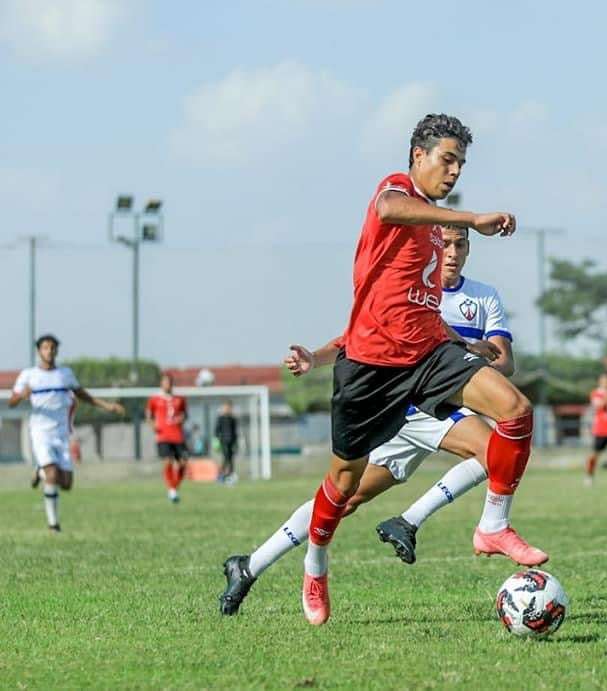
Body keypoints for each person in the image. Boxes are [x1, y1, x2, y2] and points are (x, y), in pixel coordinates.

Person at [229, 113, 541, 626]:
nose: (455, 170)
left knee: (515, 410)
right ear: (417, 156)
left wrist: (475, 350)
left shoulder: (440, 242)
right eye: (447, 159)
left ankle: (492, 524)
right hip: (370, 372)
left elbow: (414, 308)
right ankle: (314, 564)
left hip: (427, 359)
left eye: (461, 162)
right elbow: (389, 209)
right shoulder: (395, 191)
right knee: (342, 485)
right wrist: (470, 218)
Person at [9, 334, 125, 532]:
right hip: (40, 432)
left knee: (67, 483)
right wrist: (21, 395)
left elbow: (83, 395)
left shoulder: (65, 374)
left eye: (53, 347)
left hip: (61, 434)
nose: (49, 351)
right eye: (45, 347)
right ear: (39, 351)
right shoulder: (29, 375)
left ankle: (39, 471)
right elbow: (11, 403)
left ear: (56, 350)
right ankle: (53, 524)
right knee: (52, 474)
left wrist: (107, 406)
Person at [146, 373, 189, 503]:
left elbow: (184, 415)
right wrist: (153, 425)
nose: (167, 385)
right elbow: (148, 415)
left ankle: (174, 488)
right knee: (168, 461)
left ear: (172, 384)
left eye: (169, 382)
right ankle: (171, 489)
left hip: (178, 436)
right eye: (165, 382)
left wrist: (181, 418)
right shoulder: (154, 399)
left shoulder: (180, 399)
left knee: (183, 463)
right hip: (163, 436)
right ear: (161, 384)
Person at [215, 401, 238, 483]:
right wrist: (216, 441)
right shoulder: (220, 418)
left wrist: (236, 442)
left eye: (229, 407)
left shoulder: (233, 419)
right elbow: (217, 431)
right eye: (226, 407)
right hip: (223, 441)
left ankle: (230, 475)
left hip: (231, 441)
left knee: (231, 458)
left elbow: (235, 431)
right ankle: (221, 476)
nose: (227, 409)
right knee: (226, 458)